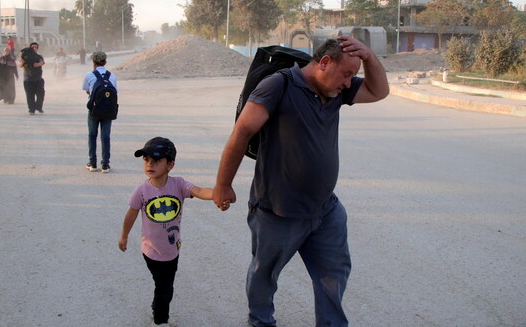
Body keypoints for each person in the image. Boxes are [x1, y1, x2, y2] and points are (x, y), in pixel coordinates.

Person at [213, 36, 390, 327]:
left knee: (334, 273)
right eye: (347, 74)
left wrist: (369, 57)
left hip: (325, 211)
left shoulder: (337, 91)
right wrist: (223, 184)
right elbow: (241, 133)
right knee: (264, 275)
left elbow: (379, 91)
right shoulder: (278, 86)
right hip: (277, 211)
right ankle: (260, 321)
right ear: (324, 63)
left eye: (353, 76)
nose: (349, 83)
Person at [119, 137, 214, 327]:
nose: (149, 164)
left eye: (156, 160)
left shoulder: (178, 184)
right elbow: (131, 213)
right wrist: (124, 235)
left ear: (170, 164)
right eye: (146, 160)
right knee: (164, 287)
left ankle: (159, 308)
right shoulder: (142, 190)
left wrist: (219, 193)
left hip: (173, 249)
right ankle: (160, 319)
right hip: (151, 250)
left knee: (166, 284)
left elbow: (199, 191)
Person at [82, 51, 116, 172]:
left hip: (94, 110)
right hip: (108, 110)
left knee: (92, 135)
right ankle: (105, 164)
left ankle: (92, 163)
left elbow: (87, 90)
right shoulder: (112, 76)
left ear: (93, 62)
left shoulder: (89, 75)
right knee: (105, 136)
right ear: (105, 62)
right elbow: (114, 92)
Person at [18, 42, 45, 115]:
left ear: (37, 48)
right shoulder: (25, 56)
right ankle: (31, 110)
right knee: (30, 95)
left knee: (41, 94)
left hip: (38, 79)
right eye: (33, 47)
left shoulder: (39, 56)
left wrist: (37, 64)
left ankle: (38, 107)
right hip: (28, 79)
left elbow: (42, 62)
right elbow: (20, 64)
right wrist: (22, 59)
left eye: (36, 47)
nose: (34, 48)